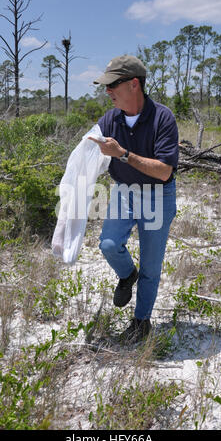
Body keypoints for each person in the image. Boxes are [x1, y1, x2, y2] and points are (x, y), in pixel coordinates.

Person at [89, 55, 178, 344]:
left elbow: (164, 171)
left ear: (134, 85)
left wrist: (123, 154)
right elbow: (88, 151)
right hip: (124, 192)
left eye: (113, 84)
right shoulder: (109, 119)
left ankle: (141, 322)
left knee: (152, 267)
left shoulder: (162, 118)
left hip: (157, 195)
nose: (108, 91)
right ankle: (127, 275)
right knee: (109, 244)